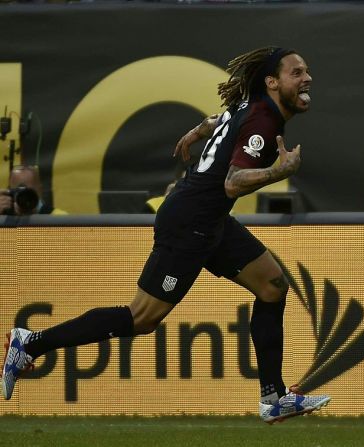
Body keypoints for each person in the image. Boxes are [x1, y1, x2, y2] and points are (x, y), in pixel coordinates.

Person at [1, 46, 330, 423]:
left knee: (272, 287)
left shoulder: (252, 107)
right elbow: (233, 183)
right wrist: (279, 171)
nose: (307, 78)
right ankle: (30, 344)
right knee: (141, 318)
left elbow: (216, 121)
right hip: (189, 222)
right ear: (272, 82)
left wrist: (196, 131)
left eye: (306, 71)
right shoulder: (263, 120)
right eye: (297, 72)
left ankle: (274, 398)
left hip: (210, 220)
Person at [0, 165, 67, 215]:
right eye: (19, 192)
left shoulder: (59, 218)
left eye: (29, 193)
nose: (25, 198)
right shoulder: (4, 218)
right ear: (9, 191)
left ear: (40, 190)